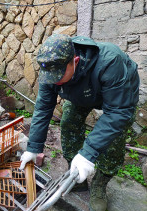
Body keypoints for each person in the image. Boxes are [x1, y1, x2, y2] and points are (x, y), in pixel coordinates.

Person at [19, 34, 139, 211]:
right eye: (51, 76)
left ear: (74, 60)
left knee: (115, 138)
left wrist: (89, 153)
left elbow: (117, 112)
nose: (55, 80)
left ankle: (99, 184)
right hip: (81, 92)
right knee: (68, 122)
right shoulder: (51, 71)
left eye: (59, 75)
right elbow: (43, 107)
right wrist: (33, 146)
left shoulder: (110, 62)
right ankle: (76, 174)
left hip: (119, 95)